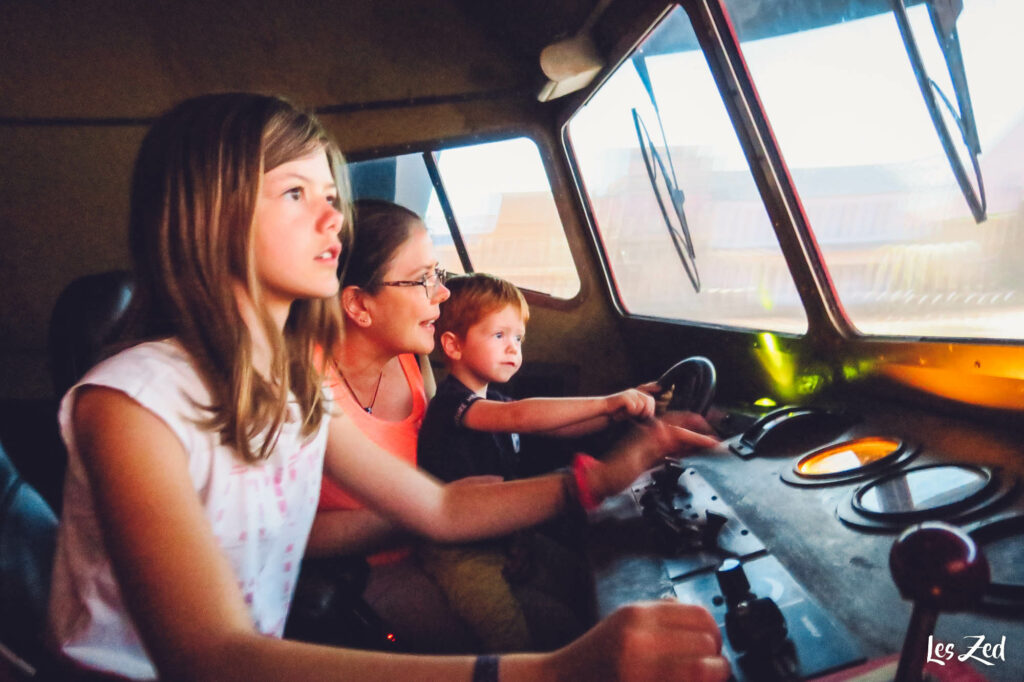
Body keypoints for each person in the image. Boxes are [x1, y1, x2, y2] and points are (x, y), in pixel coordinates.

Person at [49, 92, 729, 681]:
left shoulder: (287, 391)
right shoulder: (130, 403)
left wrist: (610, 475)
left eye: (329, 196)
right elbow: (212, 659)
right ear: (211, 217)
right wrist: (549, 672)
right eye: (295, 194)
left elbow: (439, 511)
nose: (332, 220)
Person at [415, 272, 679, 653]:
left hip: (502, 530)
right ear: (453, 345)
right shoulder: (456, 406)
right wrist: (607, 401)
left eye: (518, 338)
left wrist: (622, 410)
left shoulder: (495, 404)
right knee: (509, 637)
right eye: (499, 336)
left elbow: (561, 428)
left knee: (580, 578)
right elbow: (521, 417)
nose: (513, 349)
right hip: (461, 551)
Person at [301, 198, 477, 653]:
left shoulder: (413, 357)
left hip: (439, 546)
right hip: (365, 571)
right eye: (422, 280)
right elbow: (292, 536)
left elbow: (441, 463)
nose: (442, 293)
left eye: (438, 275)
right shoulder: (300, 386)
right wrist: (428, 517)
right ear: (359, 304)